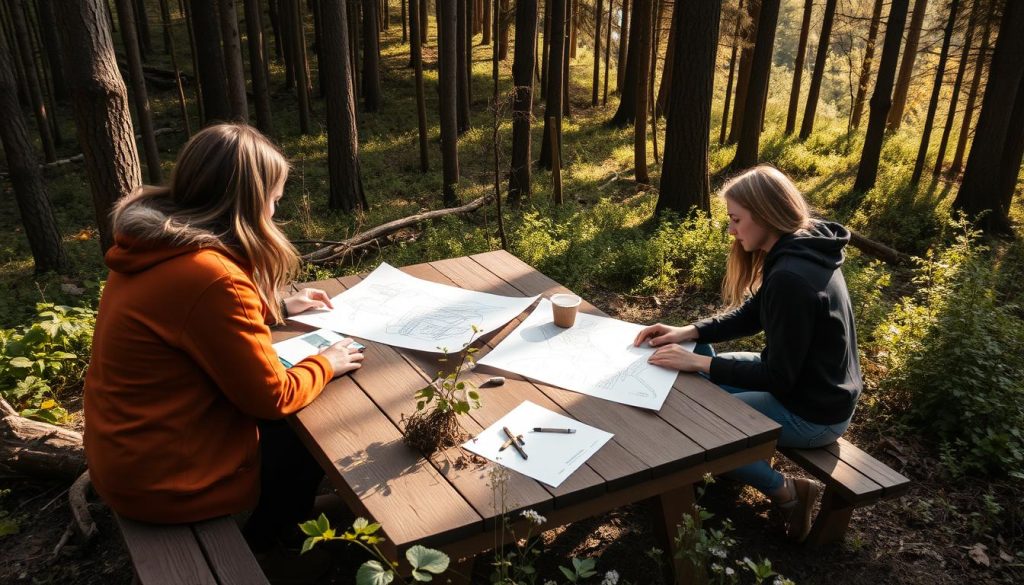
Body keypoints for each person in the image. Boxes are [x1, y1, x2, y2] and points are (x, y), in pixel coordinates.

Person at [84, 124, 364, 555]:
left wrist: (280, 309)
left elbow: (190, 323)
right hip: (169, 485)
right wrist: (326, 362)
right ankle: (272, 544)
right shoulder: (210, 275)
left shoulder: (156, 247)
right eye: (273, 200)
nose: (275, 211)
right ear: (249, 204)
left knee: (290, 426)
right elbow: (272, 396)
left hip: (130, 460)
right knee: (305, 432)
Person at [633, 164, 862, 542]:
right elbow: (754, 313)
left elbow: (778, 377)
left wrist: (700, 362)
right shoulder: (804, 244)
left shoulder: (792, 275)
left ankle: (787, 491)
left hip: (813, 410)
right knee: (700, 372)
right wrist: (690, 332)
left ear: (767, 215)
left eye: (736, 219)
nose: (731, 230)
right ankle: (739, 460)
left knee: (697, 425)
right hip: (809, 383)